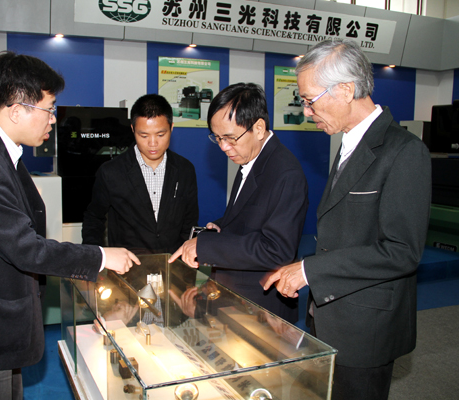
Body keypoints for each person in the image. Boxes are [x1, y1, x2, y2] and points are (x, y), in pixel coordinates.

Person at [0, 52, 140, 400]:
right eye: (49, 109)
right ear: (16, 110)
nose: (53, 119)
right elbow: (25, 247)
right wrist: (100, 256)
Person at [262, 40, 431, 400]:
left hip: (365, 329)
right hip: (330, 315)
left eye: (310, 100)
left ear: (345, 90)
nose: (306, 111)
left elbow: (401, 251)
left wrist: (309, 270)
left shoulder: (404, 151)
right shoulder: (349, 142)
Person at [169, 83, 309, 323]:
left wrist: (206, 246)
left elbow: (276, 250)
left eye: (231, 138)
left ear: (259, 128)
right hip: (238, 303)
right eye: (218, 138)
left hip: (262, 312)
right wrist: (222, 227)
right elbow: (251, 216)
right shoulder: (252, 159)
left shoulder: (285, 173)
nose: (224, 147)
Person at [82, 94, 199, 255]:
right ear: (133, 129)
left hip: (172, 262)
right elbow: (94, 218)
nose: (153, 143)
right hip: (129, 263)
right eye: (144, 135)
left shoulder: (185, 169)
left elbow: (190, 221)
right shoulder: (111, 172)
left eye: (160, 134)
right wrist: (96, 257)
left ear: (171, 127)